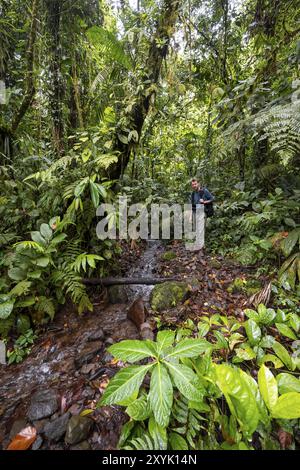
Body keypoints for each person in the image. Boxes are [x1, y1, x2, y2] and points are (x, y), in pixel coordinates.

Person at [189, 178, 214, 251]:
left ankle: (201, 247)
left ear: (198, 184)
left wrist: (204, 202)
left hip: (202, 211)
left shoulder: (204, 191)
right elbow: (192, 206)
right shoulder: (193, 194)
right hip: (195, 212)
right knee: (196, 229)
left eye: (195, 184)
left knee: (201, 229)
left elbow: (212, 199)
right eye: (193, 184)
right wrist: (190, 216)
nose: (194, 185)